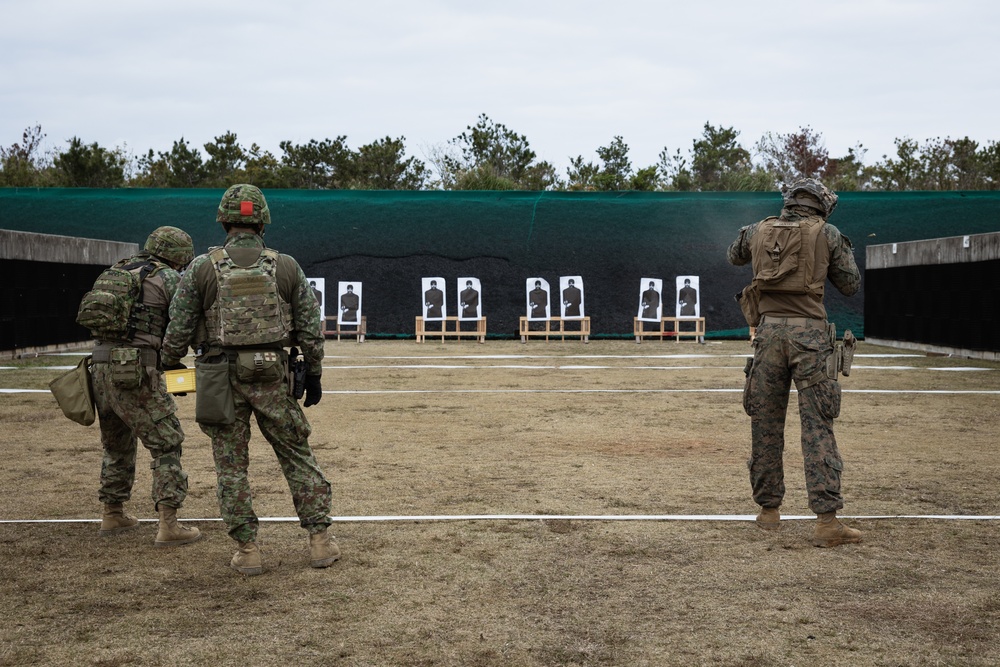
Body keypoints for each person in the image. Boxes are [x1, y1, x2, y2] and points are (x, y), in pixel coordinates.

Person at [160, 184, 338, 576]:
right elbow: (310, 326)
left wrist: (170, 362)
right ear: (263, 222)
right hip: (274, 373)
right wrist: (315, 371)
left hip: (219, 377)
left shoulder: (201, 268)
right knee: (296, 455)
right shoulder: (286, 265)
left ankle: (247, 548)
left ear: (224, 221)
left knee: (231, 466)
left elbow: (178, 328)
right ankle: (320, 541)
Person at [728, 178, 862, 547]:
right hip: (811, 338)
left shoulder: (758, 230)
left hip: (767, 335)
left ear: (789, 202)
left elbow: (734, 255)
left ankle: (768, 512)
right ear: (822, 205)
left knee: (765, 424)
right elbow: (850, 284)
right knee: (817, 426)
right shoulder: (828, 234)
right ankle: (826, 522)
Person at [83, 226, 202, 547]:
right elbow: (185, 323)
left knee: (116, 443)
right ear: (178, 255)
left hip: (99, 367)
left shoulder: (116, 271)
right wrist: (174, 358)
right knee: (167, 443)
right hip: (136, 369)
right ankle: (169, 524)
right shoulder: (168, 278)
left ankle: (113, 512)